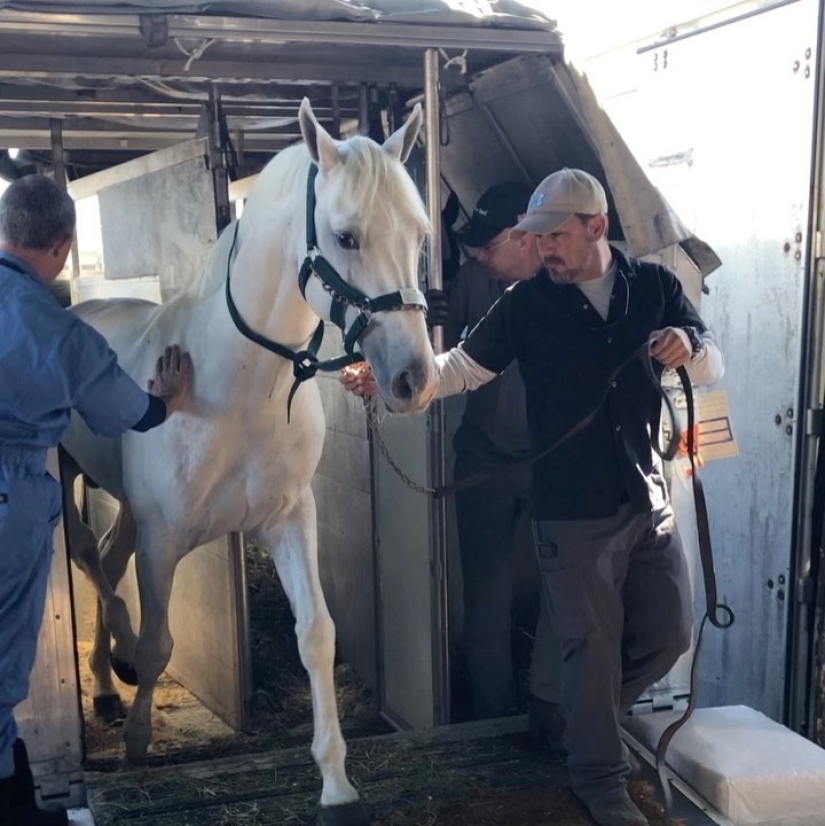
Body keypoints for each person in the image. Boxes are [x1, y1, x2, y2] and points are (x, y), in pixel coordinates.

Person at [342, 167, 724, 826]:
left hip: (645, 499)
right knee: (589, 651)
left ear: (595, 228)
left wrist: (688, 345)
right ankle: (599, 780)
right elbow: (463, 366)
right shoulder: (526, 303)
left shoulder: (654, 287)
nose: (543, 248)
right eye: (535, 235)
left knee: (666, 635)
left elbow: (712, 362)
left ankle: (571, 719)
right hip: (571, 512)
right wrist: (400, 383)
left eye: (555, 236)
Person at [0, 175, 193, 826]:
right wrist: (168, 398)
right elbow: (123, 415)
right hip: (10, 491)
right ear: (63, 245)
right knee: (3, 657)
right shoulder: (59, 332)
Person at [436, 182, 540, 720]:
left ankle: (552, 713)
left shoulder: (563, 285)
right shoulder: (475, 281)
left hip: (551, 468)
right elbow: (439, 361)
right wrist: (432, 318)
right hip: (485, 467)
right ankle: (495, 725)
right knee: (487, 604)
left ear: (523, 236)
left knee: (565, 598)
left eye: (487, 244)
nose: (478, 254)